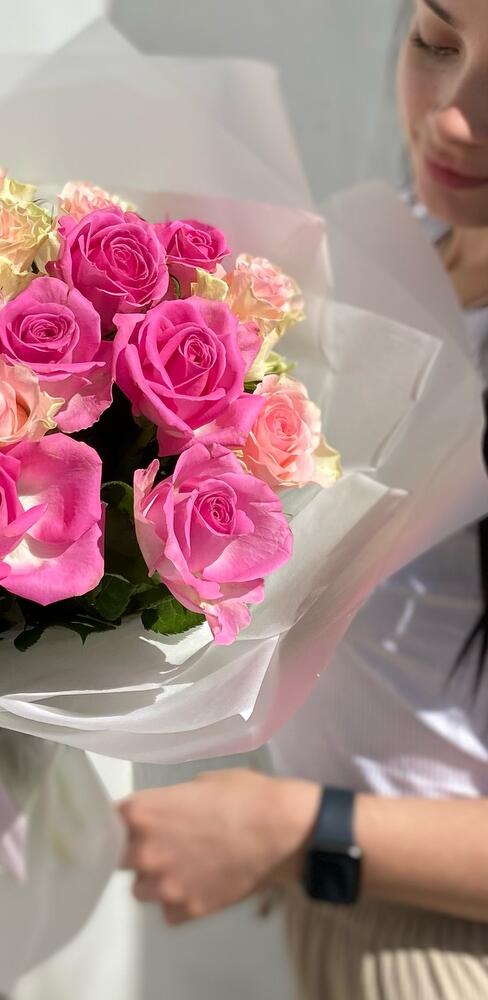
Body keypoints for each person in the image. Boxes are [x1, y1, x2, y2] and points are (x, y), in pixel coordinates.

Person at [118, 1, 488, 996]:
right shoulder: (396, 251)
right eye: (437, 42)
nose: (455, 115)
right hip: (348, 918)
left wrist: (298, 828)